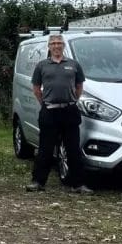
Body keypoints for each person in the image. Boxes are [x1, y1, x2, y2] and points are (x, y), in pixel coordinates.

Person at [26, 34, 91, 193]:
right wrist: (46, 104)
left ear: (63, 46)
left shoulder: (74, 65)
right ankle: (38, 182)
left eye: (59, 43)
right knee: (45, 149)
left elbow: (79, 86)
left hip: (69, 111)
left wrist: (72, 100)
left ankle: (78, 184)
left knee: (73, 149)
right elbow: (36, 88)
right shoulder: (42, 66)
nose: (56, 46)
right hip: (49, 112)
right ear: (49, 46)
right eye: (53, 43)